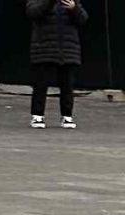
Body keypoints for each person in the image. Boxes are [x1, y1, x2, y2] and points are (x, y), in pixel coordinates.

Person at [27, 0, 87, 129]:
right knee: (40, 84)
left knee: (67, 84)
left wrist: (74, 8)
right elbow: (33, 13)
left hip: (67, 48)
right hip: (44, 47)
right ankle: (37, 115)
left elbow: (82, 19)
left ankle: (67, 116)